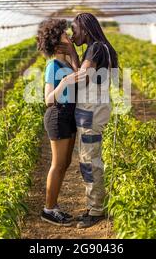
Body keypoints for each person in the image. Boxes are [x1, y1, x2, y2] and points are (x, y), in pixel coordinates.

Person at [59, 13, 119, 229]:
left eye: (74, 30)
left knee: (90, 160)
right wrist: (75, 54)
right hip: (94, 109)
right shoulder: (100, 47)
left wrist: (71, 60)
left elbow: (82, 78)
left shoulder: (95, 48)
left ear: (84, 29)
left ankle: (96, 210)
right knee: (89, 158)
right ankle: (93, 205)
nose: (73, 34)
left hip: (92, 111)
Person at [36, 18, 85, 226]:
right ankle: (48, 209)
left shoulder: (66, 62)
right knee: (57, 164)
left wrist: (73, 56)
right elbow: (48, 99)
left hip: (69, 114)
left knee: (65, 163)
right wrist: (64, 82)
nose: (70, 36)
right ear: (56, 42)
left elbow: (82, 77)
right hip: (58, 114)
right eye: (65, 34)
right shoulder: (52, 66)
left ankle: (54, 206)